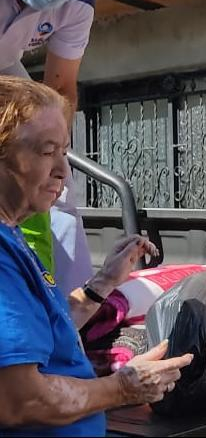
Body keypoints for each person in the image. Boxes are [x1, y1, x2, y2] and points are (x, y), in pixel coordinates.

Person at [0, 76, 194, 436]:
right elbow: (20, 400)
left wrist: (103, 283)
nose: (63, 171)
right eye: (47, 151)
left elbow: (47, 334)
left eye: (64, 151)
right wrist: (123, 388)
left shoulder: (12, 235)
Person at [2, 0, 97, 295]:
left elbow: (61, 88)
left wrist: (52, 153)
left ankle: (75, 301)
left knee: (57, 182)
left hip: (5, 66)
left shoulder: (77, 2)